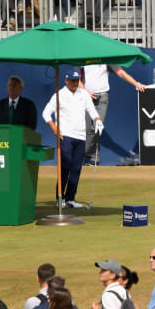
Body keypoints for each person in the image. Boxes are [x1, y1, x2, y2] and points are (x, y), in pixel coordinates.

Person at [42, 71, 102, 208]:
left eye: (77, 80)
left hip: (80, 136)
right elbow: (46, 113)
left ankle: (70, 199)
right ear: (66, 80)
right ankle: (60, 198)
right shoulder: (59, 95)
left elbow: (91, 110)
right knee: (65, 167)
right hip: (66, 135)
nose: (75, 83)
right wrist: (54, 127)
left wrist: (97, 120)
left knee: (76, 168)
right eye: (72, 80)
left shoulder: (83, 94)